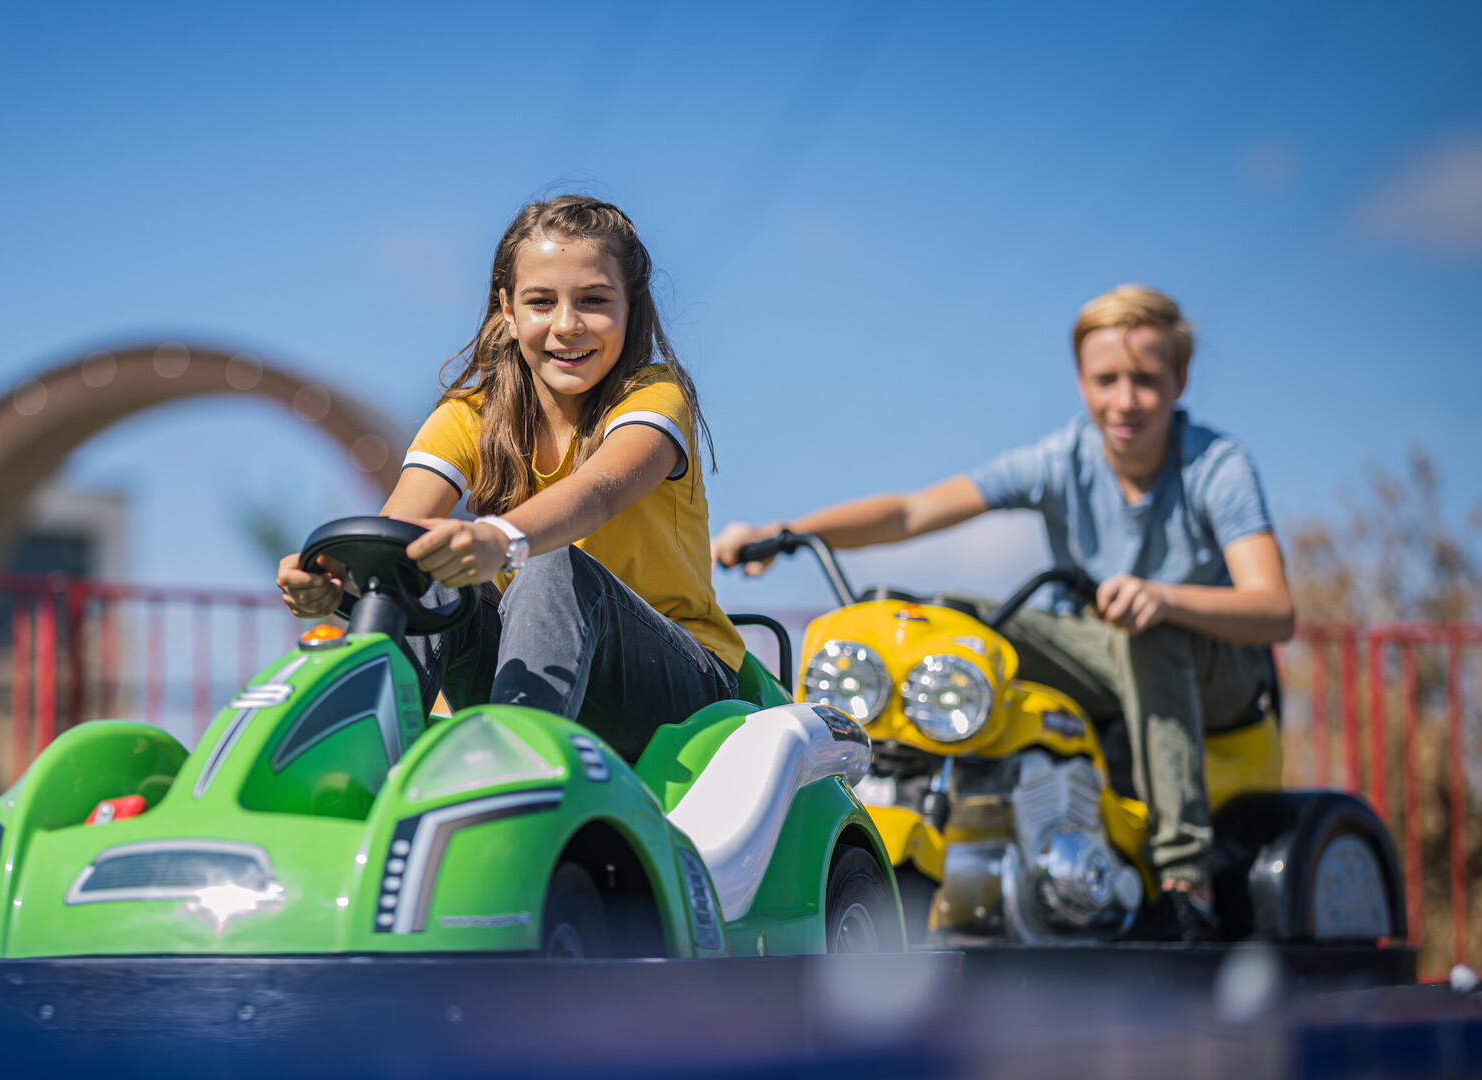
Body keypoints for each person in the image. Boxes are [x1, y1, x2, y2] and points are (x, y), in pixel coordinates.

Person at [711, 285, 1295, 940]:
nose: (1123, 400)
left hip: (1215, 668)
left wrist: (1163, 596)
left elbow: (1272, 610)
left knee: (1146, 633)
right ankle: (940, 819)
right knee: (941, 615)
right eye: (1105, 379)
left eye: (1145, 380)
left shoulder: (1215, 466)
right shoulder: (1059, 460)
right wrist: (783, 530)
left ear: (1180, 380)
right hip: (1100, 643)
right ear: (1080, 381)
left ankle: (1185, 881)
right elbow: (911, 512)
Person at [278, 195, 744, 764]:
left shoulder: (654, 397)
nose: (567, 326)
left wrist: (502, 539)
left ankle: (508, 778)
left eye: (594, 301)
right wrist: (333, 576)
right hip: (531, 662)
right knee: (425, 563)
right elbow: (397, 526)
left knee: (549, 559)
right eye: (541, 302)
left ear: (630, 305)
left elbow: (598, 491)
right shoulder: (470, 413)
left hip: (676, 687)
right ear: (508, 307)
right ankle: (360, 767)